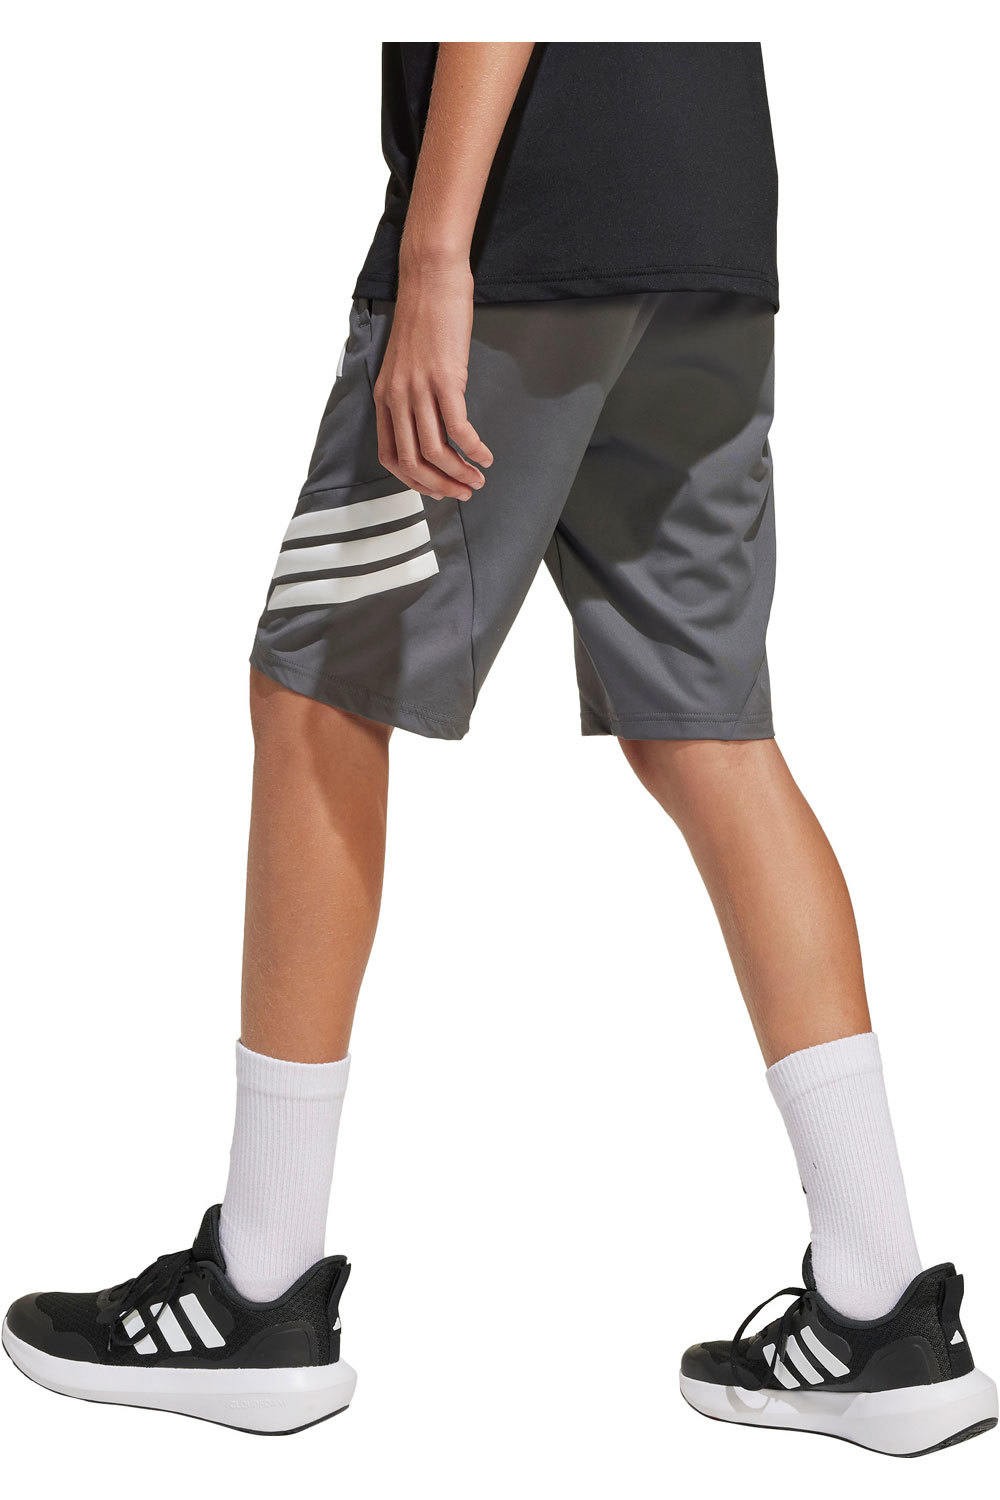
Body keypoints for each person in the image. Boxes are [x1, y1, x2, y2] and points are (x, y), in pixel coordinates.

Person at [3, 42, 996, 1453]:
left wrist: (435, 253)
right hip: (707, 220)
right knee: (710, 737)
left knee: (318, 695)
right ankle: (884, 1307)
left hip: (537, 224)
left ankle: (259, 1291)